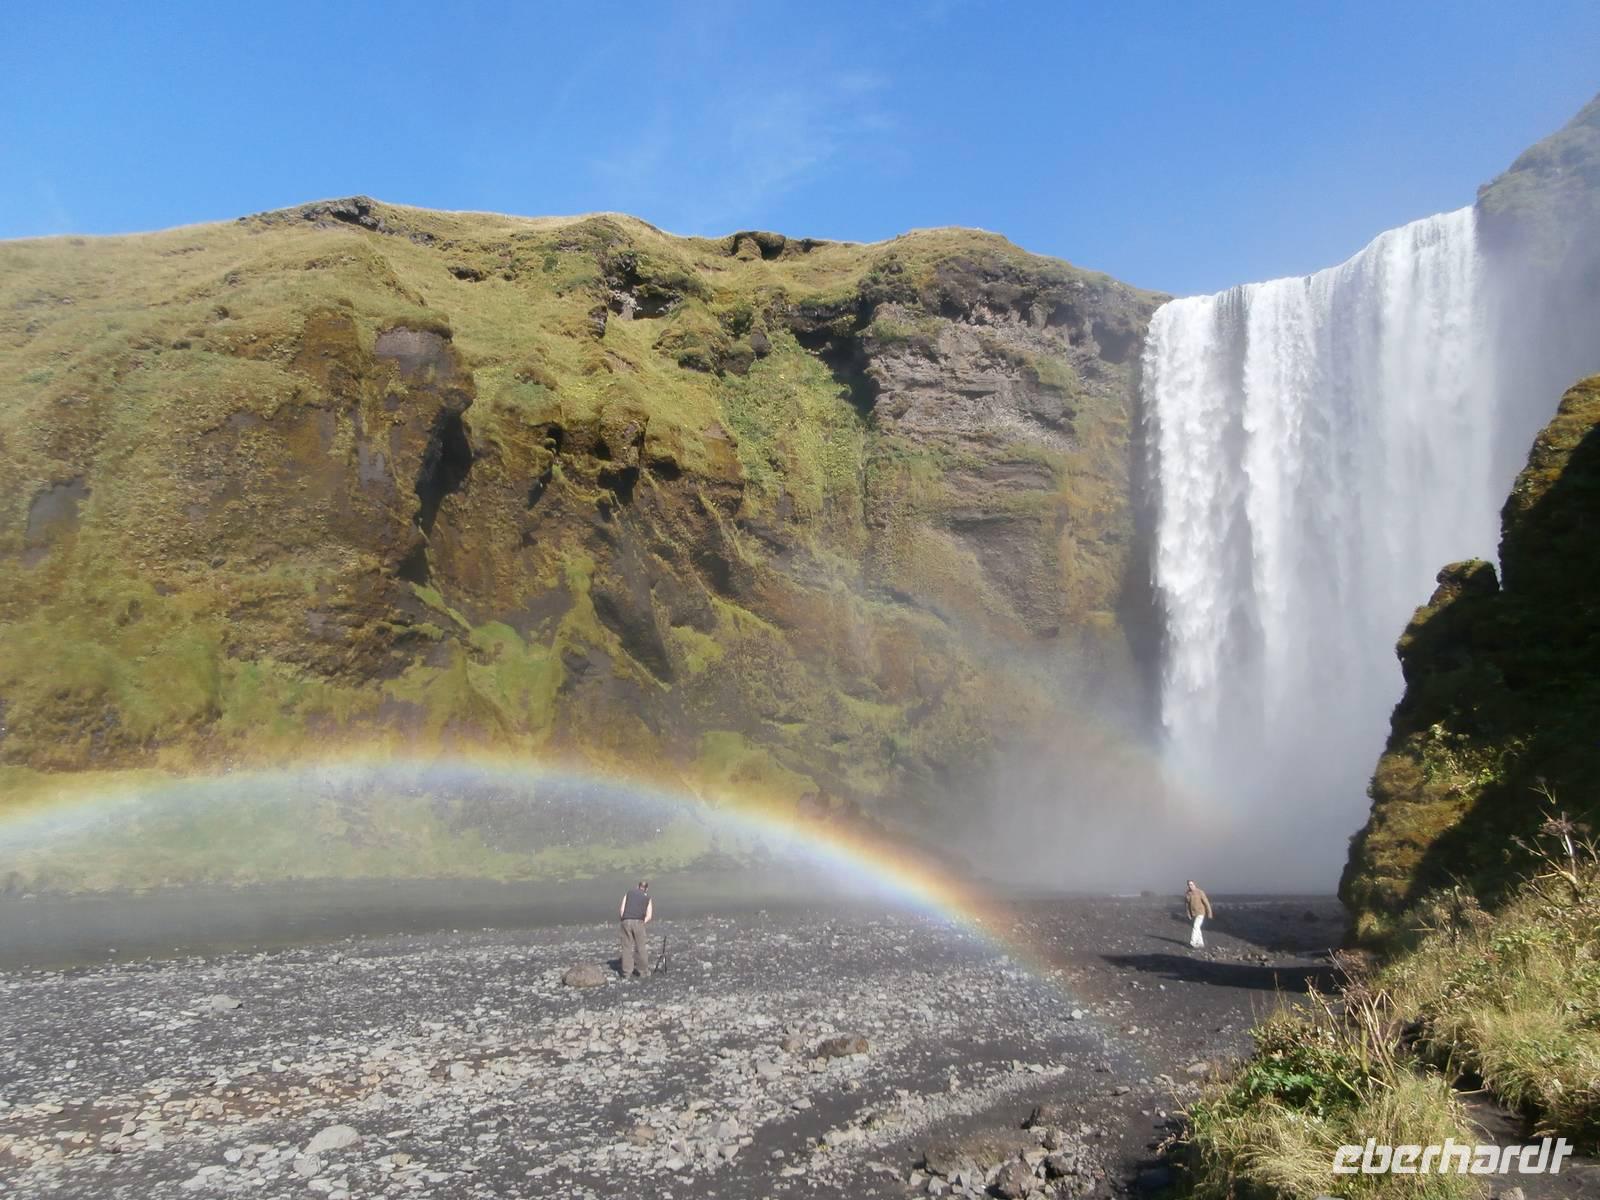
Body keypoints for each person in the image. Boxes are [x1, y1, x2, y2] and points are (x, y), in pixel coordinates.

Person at [618, 880, 653, 978]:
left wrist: (624, 920)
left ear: (637, 886)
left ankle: (626, 972)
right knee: (640, 947)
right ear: (646, 888)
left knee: (626, 947)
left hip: (626, 920)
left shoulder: (629, 893)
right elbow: (649, 916)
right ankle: (643, 971)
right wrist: (642, 922)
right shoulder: (647, 898)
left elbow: (622, 909)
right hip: (638, 922)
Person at [1185, 880, 1214, 948]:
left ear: (1195, 884)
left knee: (1195, 926)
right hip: (1194, 913)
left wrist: (1210, 913)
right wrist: (1188, 914)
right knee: (1197, 928)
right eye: (1189, 885)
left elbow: (1206, 903)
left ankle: (1193, 943)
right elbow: (1186, 905)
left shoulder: (1200, 892)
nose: (1190, 886)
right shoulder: (1188, 894)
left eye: (1191, 884)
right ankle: (1200, 943)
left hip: (1201, 912)